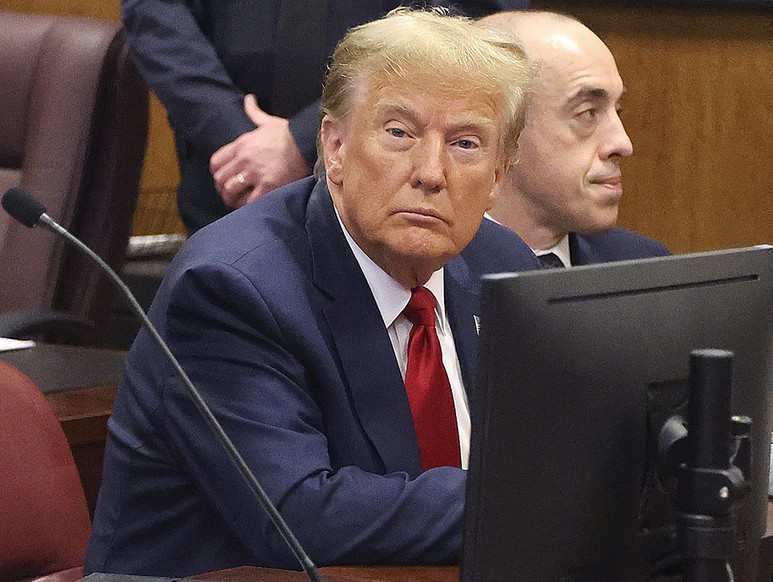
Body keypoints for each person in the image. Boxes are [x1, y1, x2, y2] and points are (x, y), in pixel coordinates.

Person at [84, 8, 538, 577]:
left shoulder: (504, 269)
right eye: (399, 133)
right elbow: (300, 516)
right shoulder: (233, 288)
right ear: (336, 145)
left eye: (466, 143)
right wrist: (537, 502)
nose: (430, 171)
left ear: (499, 175)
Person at [122, 0, 529, 233]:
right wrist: (234, 135)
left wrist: (303, 139)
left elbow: (475, 19)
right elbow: (158, 14)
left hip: (401, 164)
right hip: (229, 176)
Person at [478, 11, 669, 267]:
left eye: (617, 111)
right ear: (501, 128)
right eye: (588, 113)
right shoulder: (432, 280)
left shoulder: (644, 267)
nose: (623, 144)